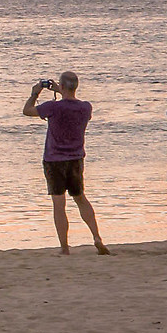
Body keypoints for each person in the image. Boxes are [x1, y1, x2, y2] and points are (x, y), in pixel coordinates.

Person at [23, 72, 109, 255]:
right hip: (76, 158)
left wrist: (34, 93)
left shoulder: (52, 108)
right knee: (80, 198)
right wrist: (62, 92)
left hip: (54, 160)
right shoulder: (85, 108)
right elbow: (71, 107)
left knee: (59, 203)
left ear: (61, 86)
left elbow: (27, 110)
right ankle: (96, 236)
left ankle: (64, 247)